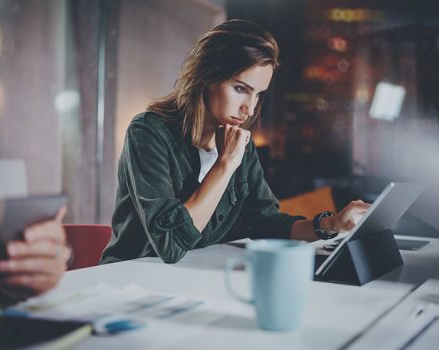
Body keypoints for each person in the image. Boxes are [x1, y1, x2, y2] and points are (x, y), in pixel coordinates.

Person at [100, 19, 369, 264]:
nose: (249, 110)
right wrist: (225, 164)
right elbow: (171, 244)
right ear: (207, 76)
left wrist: (331, 224)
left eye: (258, 95)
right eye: (241, 89)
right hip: (133, 277)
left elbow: (266, 222)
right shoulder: (148, 131)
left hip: (198, 278)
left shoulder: (241, 142)